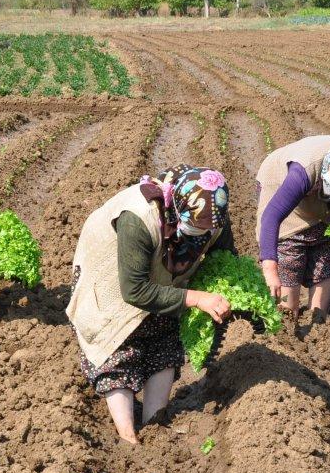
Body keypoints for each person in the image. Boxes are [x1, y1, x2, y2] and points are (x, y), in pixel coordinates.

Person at [67, 165, 233, 445]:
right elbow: (134, 290)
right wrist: (196, 298)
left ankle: (155, 422)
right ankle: (127, 435)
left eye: (208, 229)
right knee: (118, 346)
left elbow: (224, 260)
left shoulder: (213, 216)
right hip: (114, 278)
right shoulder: (137, 219)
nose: (201, 234)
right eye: (196, 227)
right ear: (178, 208)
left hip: (160, 278)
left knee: (165, 337)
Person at [255, 131, 330, 328]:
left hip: (326, 206)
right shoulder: (302, 171)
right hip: (282, 190)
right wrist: (270, 270)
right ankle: (288, 320)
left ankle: (319, 321)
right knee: (289, 257)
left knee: (328, 249)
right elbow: (272, 217)